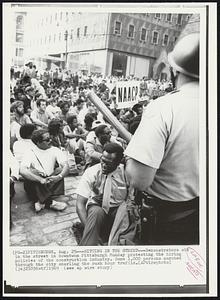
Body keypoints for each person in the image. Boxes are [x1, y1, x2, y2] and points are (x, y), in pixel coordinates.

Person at [124, 31, 200, 245]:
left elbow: (139, 180)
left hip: (168, 219)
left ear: (175, 69)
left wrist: (132, 157)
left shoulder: (164, 107)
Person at [76, 143, 130, 245]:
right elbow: (80, 204)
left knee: (125, 217)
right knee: (95, 213)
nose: (104, 165)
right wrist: (88, 228)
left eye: (109, 163)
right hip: (98, 206)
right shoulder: (91, 172)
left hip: (118, 209)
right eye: (102, 160)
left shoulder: (125, 173)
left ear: (118, 162)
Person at [19, 129, 69, 212]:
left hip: (49, 181)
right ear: (38, 142)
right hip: (37, 182)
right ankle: (49, 203)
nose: (50, 141)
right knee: (32, 172)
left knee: (60, 170)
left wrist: (59, 177)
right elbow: (22, 171)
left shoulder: (55, 150)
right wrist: (40, 179)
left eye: (50, 138)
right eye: (47, 140)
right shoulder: (30, 152)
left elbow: (66, 166)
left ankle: (40, 201)